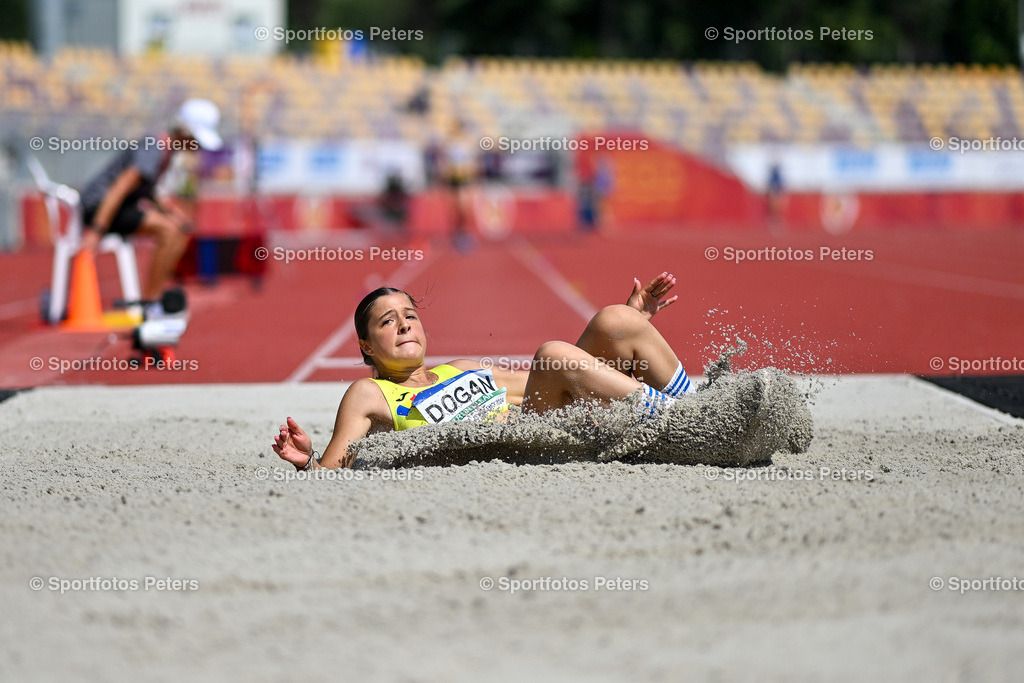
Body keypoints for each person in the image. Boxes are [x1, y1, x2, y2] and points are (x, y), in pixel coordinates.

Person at [273, 273, 699, 470]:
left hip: (545, 421)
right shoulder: (369, 394)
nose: (404, 324)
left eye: (410, 315)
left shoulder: (461, 369)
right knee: (553, 349)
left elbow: (556, 378)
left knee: (615, 319)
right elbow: (332, 471)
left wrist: (624, 337)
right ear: (366, 345)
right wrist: (306, 461)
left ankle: (702, 409)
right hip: (523, 446)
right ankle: (685, 424)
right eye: (387, 322)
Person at [78, 98, 223, 303]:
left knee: (177, 229)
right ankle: (150, 302)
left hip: (117, 207)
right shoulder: (153, 147)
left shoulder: (166, 152)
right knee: (168, 230)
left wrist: (174, 214)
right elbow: (119, 188)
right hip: (98, 208)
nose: (197, 146)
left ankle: (154, 296)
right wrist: (96, 230)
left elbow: (148, 193)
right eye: (196, 139)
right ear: (183, 130)